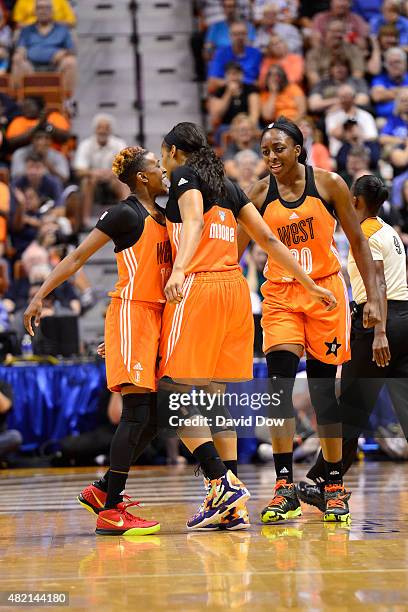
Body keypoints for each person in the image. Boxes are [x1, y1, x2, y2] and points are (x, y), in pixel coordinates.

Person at [158, 121, 337, 529]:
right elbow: (272, 242)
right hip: (236, 292)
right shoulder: (227, 186)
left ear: (172, 152)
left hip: (200, 286)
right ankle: (233, 505)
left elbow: (195, 224)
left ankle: (221, 483)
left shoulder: (184, 175)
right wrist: (310, 283)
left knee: (172, 392)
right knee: (215, 396)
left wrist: (179, 270)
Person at [237, 117, 380, 524]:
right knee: (278, 387)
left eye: (278, 149)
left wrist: (369, 298)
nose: (271, 157)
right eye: (266, 151)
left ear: (298, 149)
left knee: (322, 394)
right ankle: (284, 486)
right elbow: (232, 254)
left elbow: (358, 243)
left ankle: (332, 484)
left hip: (325, 294)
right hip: (281, 295)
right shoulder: (260, 193)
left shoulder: (330, 184)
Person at [24, 146, 171, 536]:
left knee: (158, 417)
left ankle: (103, 490)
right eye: (157, 166)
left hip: (156, 319)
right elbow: (76, 259)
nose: (163, 171)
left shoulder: (167, 215)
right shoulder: (126, 213)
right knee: (137, 412)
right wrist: (40, 296)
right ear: (142, 177)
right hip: (132, 312)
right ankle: (112, 510)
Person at [297, 175, 408, 511]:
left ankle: (325, 480)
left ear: (356, 200)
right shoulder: (388, 230)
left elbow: (378, 280)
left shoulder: (368, 233)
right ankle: (325, 476)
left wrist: (378, 332)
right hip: (402, 318)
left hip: (378, 320)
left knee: (352, 408)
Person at [11, 0, 77, 94]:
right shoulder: (26, 30)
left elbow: (72, 50)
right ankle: (19, 98)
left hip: (56, 65)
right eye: (40, 8)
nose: (43, 11)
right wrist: (20, 53)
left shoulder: (62, 30)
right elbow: (21, 47)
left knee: (71, 62)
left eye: (47, 8)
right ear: (35, 12)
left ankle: (66, 100)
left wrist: (64, 52)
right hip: (31, 66)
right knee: (17, 59)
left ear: (52, 11)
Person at [73, 113, 128, 228]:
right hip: (93, 182)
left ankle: (127, 216)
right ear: (95, 129)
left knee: (123, 181)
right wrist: (94, 173)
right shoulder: (85, 145)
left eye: (106, 128)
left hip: (113, 180)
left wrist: (111, 173)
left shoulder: (119, 143)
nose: (103, 131)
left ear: (111, 130)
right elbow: (79, 170)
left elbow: (125, 166)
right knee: (88, 181)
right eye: (100, 127)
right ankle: (85, 221)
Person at [305, 19, 365, 88]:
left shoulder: (353, 50)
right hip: (322, 88)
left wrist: (345, 89)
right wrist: (326, 90)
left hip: (349, 88)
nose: (337, 35)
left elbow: (358, 72)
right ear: (326, 33)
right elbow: (312, 75)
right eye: (333, 31)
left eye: (340, 32)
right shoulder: (314, 52)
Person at [207, 20, 262, 91]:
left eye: (243, 34)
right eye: (236, 34)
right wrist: (238, 81)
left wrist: (237, 80)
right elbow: (212, 81)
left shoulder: (256, 53)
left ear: (247, 35)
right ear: (230, 36)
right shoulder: (221, 53)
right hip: (227, 90)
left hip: (250, 92)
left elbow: (260, 82)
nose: (240, 37)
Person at [208, 61, 260, 130]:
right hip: (227, 126)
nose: (233, 77)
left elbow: (254, 116)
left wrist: (246, 126)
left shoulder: (250, 89)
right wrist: (228, 93)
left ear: (242, 75)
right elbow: (216, 115)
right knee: (222, 130)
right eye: (229, 74)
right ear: (225, 76)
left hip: (247, 125)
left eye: (236, 73)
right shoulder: (220, 91)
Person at [371, 47, 408, 122]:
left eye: (398, 62)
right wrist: (404, 92)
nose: (395, 65)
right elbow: (377, 96)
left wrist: (388, 93)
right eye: (391, 63)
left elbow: (382, 95)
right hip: (386, 120)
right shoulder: (379, 79)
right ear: (385, 65)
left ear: (405, 63)